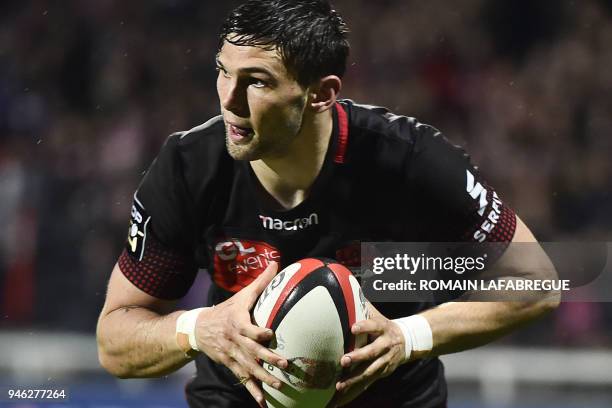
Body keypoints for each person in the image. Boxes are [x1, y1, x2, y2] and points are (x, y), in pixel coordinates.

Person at [96, 1, 559, 407]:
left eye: (257, 82)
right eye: (222, 71)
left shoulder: (410, 161)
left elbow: (537, 283)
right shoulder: (188, 167)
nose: (229, 101)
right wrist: (199, 329)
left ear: (322, 93)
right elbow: (114, 339)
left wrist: (406, 337)